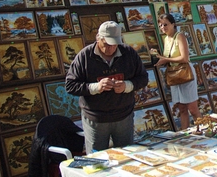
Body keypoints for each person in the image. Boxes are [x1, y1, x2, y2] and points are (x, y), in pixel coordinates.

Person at [66, 21, 148, 153]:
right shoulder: (84, 56)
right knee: (97, 162)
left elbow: (143, 78)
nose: (110, 48)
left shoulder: (129, 53)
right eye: (106, 44)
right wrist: (96, 87)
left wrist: (127, 85)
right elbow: (70, 86)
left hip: (124, 116)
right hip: (96, 119)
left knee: (128, 157)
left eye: (114, 44)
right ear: (98, 38)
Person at [153, 14, 201, 130]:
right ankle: (184, 134)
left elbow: (184, 58)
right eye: (160, 25)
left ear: (173, 24)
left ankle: (204, 130)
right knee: (182, 108)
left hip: (185, 73)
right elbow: (169, 57)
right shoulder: (166, 39)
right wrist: (158, 57)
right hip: (174, 75)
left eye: (165, 24)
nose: (163, 27)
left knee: (192, 108)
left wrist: (165, 59)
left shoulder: (180, 36)